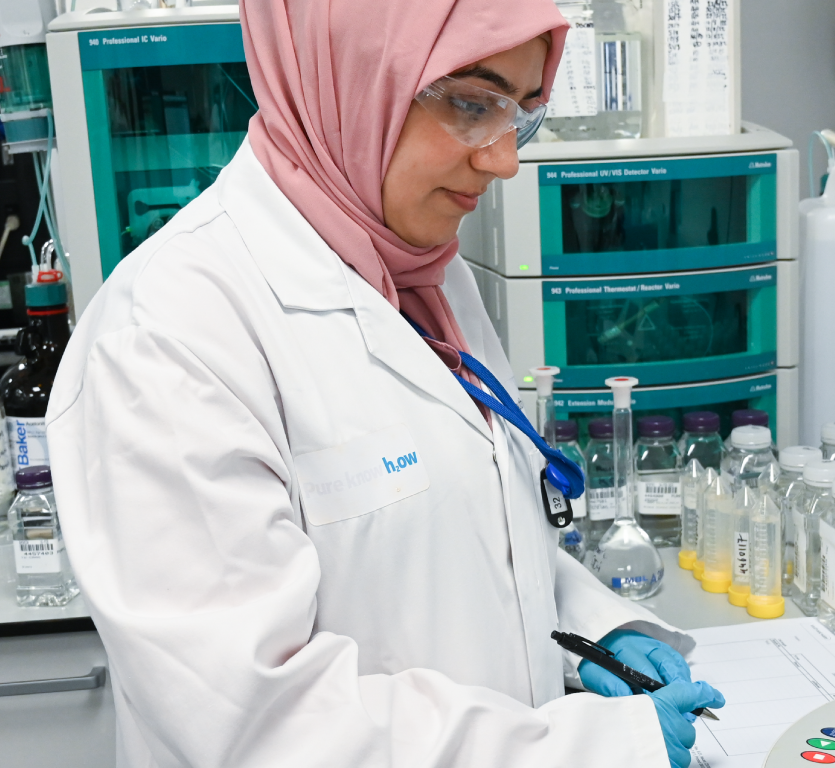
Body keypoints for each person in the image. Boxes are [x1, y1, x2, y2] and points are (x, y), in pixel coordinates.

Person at [46, 1, 722, 766]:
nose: (504, 161)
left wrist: (599, 634)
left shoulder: (421, 275)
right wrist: (596, 750)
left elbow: (473, 540)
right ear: (350, 69)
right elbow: (255, 724)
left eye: (521, 114)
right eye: (472, 104)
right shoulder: (169, 340)